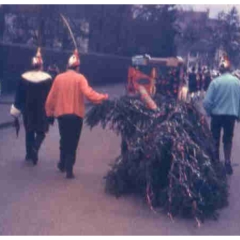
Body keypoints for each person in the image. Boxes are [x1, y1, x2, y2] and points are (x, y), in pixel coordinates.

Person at [45, 49, 108, 179]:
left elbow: (51, 97)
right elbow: (89, 94)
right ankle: (69, 169)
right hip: (76, 115)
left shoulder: (58, 78)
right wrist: (102, 97)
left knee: (64, 139)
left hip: (62, 115)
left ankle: (62, 163)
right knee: (73, 142)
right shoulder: (80, 78)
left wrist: (49, 112)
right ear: (77, 66)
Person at [10, 48, 53, 165]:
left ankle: (29, 154)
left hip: (27, 109)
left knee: (29, 131)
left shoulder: (23, 77)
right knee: (41, 131)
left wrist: (15, 111)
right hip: (41, 110)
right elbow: (51, 95)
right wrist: (52, 111)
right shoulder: (48, 79)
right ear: (41, 65)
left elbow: (19, 95)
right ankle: (35, 147)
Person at [203, 56, 240, 175]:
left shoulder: (215, 82)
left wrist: (209, 112)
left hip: (217, 115)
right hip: (230, 115)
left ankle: (215, 162)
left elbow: (207, 102)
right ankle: (228, 162)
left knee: (215, 138)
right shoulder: (237, 83)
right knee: (228, 139)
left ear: (220, 70)